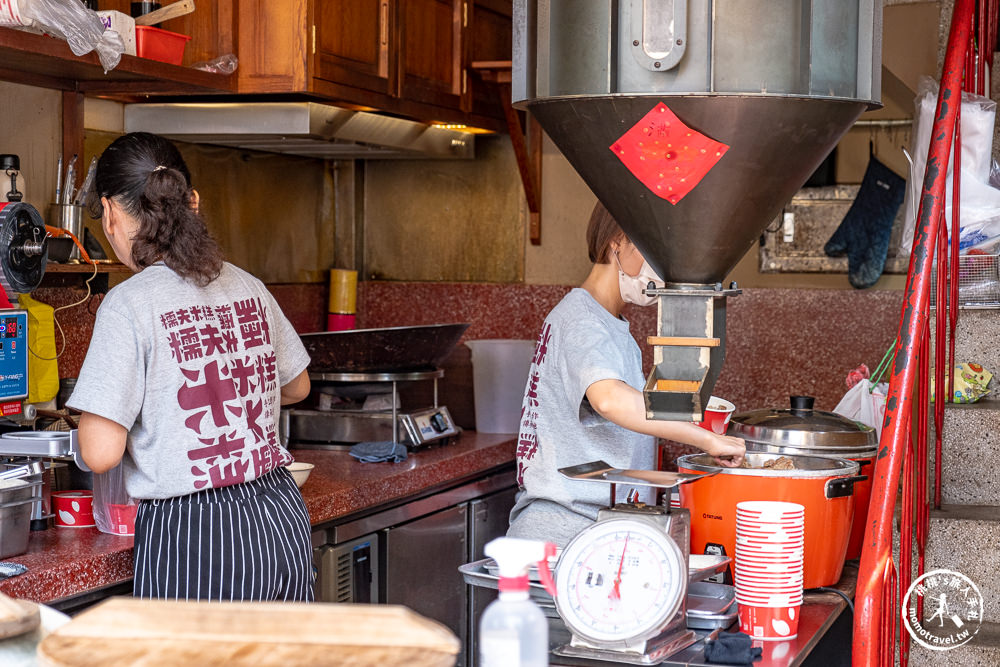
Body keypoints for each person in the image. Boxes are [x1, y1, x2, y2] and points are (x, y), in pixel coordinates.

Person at [67, 132, 314, 602]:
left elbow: (100, 453)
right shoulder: (246, 284)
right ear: (192, 201)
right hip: (279, 516)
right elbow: (297, 385)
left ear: (112, 213)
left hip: (196, 535)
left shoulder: (128, 304)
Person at [507, 202, 746, 547]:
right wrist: (705, 439)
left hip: (594, 531)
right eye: (655, 252)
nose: (661, 269)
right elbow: (609, 399)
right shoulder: (581, 321)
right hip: (563, 535)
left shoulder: (611, 325)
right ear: (617, 241)